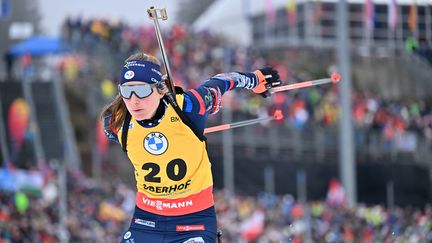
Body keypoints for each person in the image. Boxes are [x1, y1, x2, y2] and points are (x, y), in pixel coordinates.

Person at [101, 52, 281, 243]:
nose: (134, 101)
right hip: (147, 221)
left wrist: (254, 79)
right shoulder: (116, 123)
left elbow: (220, 82)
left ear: (160, 90)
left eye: (142, 91)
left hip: (193, 221)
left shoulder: (188, 107)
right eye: (127, 91)